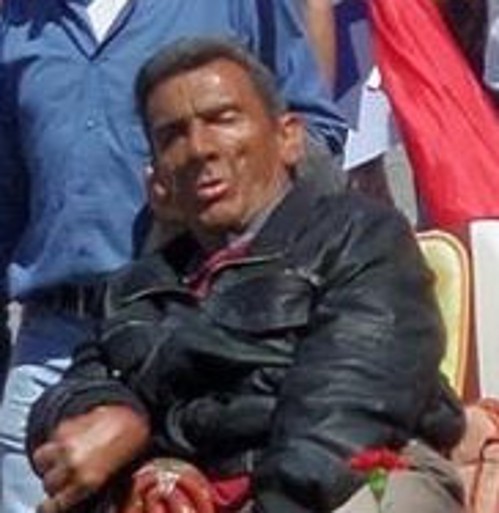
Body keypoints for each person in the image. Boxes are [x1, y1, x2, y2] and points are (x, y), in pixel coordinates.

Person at [27, 37, 465, 513]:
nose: (200, 148)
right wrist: (111, 417)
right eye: (173, 135)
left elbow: (342, 421)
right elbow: (74, 390)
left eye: (223, 119)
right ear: (157, 181)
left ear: (288, 137)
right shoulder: (136, 288)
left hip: (351, 480)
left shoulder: (358, 236)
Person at [0, 1, 347, 511]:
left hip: (205, 334)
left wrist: (213, 196)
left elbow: (313, 136)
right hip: (55, 344)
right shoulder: (19, 19)